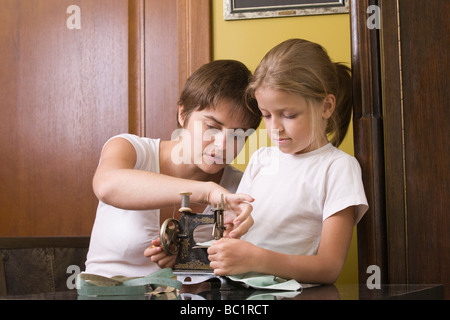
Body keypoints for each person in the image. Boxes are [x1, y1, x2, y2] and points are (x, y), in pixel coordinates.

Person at [206, 39, 369, 285]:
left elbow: (329, 267)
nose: (275, 128)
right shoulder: (261, 159)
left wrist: (256, 258)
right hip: (240, 291)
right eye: (266, 115)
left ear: (326, 106)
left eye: (289, 115)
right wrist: (231, 233)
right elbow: (240, 229)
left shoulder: (337, 168)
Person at [84, 60, 262, 278]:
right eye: (212, 127)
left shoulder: (239, 188)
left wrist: (190, 258)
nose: (223, 144)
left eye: (238, 134)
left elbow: (231, 272)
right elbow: (107, 186)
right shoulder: (131, 149)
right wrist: (207, 192)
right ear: (183, 114)